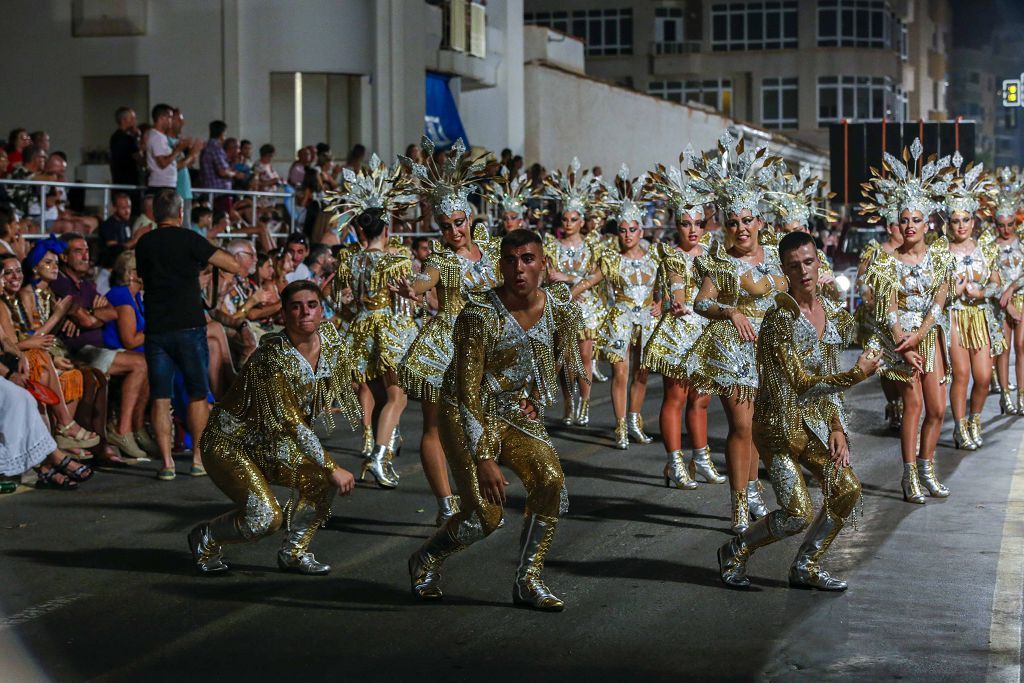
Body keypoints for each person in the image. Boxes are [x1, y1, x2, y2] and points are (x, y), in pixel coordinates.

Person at [407, 229, 585, 611]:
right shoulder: (479, 314)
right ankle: (426, 558)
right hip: (464, 412)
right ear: (500, 265)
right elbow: (468, 391)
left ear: (544, 264)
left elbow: (559, 354)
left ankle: (529, 580)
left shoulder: (560, 307)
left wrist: (538, 396)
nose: (519, 268)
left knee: (550, 479)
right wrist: (485, 457)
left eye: (528, 259)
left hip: (511, 410)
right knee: (484, 517)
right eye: (510, 260)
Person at [717, 230, 879, 591]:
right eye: (794, 265)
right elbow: (803, 382)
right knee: (797, 514)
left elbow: (825, 373)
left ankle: (806, 565)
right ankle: (736, 549)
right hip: (776, 428)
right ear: (785, 271)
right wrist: (857, 374)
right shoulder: (779, 320)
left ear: (819, 261)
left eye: (808, 262)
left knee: (847, 488)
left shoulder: (833, 313)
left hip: (812, 425)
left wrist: (837, 427)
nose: (804, 271)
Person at [186, 281, 359, 575]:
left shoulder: (330, 342)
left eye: (312, 305)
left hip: (270, 441)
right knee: (265, 519)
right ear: (284, 314)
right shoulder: (271, 357)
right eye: (296, 306)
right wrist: (332, 465)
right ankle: (206, 537)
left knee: (319, 480)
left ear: (321, 310)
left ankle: (294, 553)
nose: (305, 312)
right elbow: (292, 421)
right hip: (230, 444)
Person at [391, 137, 501, 525]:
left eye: (459, 222)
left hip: (487, 343)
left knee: (480, 422)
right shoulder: (440, 259)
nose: (454, 230)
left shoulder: (491, 250)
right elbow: (424, 280)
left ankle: (474, 494)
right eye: (445, 225)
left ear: (469, 219)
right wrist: (412, 287)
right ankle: (445, 502)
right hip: (446, 346)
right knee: (435, 425)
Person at [686, 131, 786, 533]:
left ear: (759, 220)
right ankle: (739, 503)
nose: (741, 228)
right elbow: (700, 303)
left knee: (762, 426)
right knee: (742, 426)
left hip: (774, 350)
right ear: (726, 227)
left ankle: (755, 490)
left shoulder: (780, 255)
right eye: (733, 223)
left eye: (747, 220)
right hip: (735, 351)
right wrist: (729, 311)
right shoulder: (721, 261)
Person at [859, 138, 955, 503]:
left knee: (937, 409)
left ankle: (928, 467)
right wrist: (904, 339)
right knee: (912, 407)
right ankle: (909, 475)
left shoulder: (940, 256)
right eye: (904, 220)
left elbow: (940, 299)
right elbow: (887, 308)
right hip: (900, 342)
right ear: (897, 223)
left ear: (927, 221)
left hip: (928, 337)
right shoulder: (886, 261)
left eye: (916, 219)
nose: (910, 225)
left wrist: (923, 333)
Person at [134, 189, 241, 481]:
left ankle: (167, 463)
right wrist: (204, 262)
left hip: (157, 328)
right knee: (197, 393)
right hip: (189, 326)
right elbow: (234, 265)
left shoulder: (144, 243)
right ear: (181, 213)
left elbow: (145, 276)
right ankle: (197, 459)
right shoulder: (190, 239)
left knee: (160, 396)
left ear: (155, 214)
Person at [326, 158, 420, 487]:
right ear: (387, 229)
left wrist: (354, 315)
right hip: (389, 330)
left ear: (362, 230)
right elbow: (407, 296)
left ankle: (384, 457)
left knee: (382, 398)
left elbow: (337, 299)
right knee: (398, 398)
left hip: (362, 328)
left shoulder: (350, 259)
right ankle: (379, 456)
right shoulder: (397, 259)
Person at [642, 153, 724, 488]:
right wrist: (676, 302)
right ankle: (675, 463)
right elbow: (676, 285)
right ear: (677, 225)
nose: (692, 230)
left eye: (698, 224)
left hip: (705, 331)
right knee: (675, 397)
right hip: (679, 332)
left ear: (705, 226)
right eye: (686, 224)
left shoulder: (713, 255)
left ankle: (701, 459)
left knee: (701, 399)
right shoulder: (672, 256)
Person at [571, 167, 660, 449]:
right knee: (620, 373)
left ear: (641, 230)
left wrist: (660, 302)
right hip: (620, 318)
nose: (627, 235)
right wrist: (569, 293)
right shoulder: (611, 258)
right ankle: (620, 426)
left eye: (632, 229)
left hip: (647, 319)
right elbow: (591, 279)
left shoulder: (655, 255)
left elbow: (668, 285)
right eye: (622, 230)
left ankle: (635, 421)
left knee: (641, 373)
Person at [51, 233, 148, 463]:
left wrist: (89, 314)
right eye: (78, 251)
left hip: (95, 348)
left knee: (147, 361)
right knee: (140, 363)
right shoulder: (60, 282)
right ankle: (121, 432)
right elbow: (84, 319)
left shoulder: (85, 286)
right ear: (63, 257)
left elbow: (109, 313)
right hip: (78, 350)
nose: (86, 256)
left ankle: (128, 430)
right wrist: (88, 316)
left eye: (86, 250)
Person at [943, 155, 1002, 449]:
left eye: (965, 219)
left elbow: (996, 283)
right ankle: (959, 426)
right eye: (955, 220)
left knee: (982, 377)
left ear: (973, 220)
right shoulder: (941, 251)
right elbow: (935, 288)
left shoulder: (985, 249)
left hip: (979, 316)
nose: (961, 225)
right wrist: (952, 290)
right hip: (953, 315)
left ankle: (975, 419)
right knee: (962, 374)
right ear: (949, 223)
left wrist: (982, 293)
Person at [993, 170, 1024, 414]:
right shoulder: (990, 247)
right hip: (1000, 304)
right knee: (1003, 348)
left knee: (1021, 346)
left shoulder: (1022, 243)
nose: (1006, 230)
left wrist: (1012, 288)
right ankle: (1005, 395)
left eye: (1010, 224)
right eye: (1001, 225)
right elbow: (989, 278)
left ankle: (1022, 394)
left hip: (1021, 298)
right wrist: (1005, 299)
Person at [146, 104, 188, 193]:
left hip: (166, 184)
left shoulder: (161, 137)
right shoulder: (157, 137)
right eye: (170, 117)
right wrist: (178, 150)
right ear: (161, 118)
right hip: (161, 185)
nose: (171, 121)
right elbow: (163, 163)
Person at [109, 107, 143, 189]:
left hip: (118, 180)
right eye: (132, 118)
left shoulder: (114, 137)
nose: (135, 121)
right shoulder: (128, 138)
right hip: (130, 181)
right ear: (123, 120)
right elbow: (138, 157)